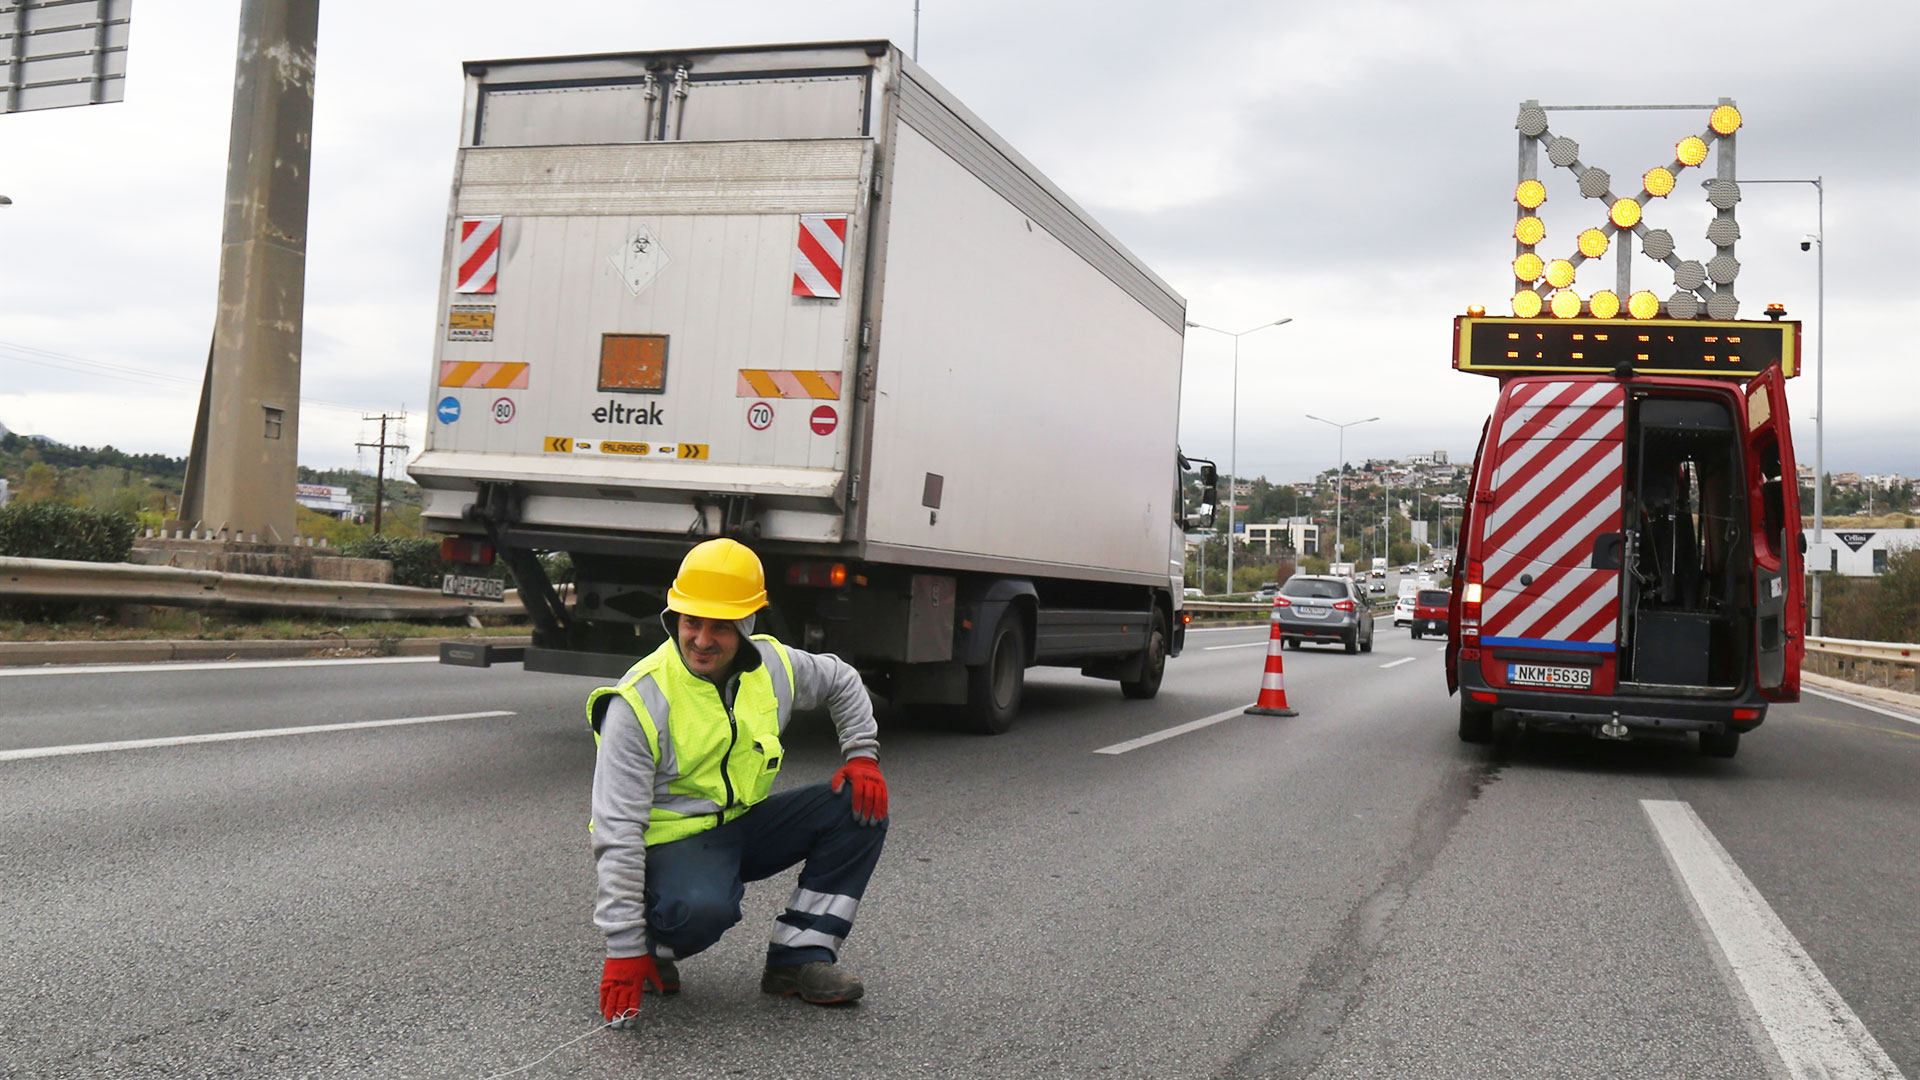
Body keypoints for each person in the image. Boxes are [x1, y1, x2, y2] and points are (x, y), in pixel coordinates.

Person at [587, 538, 888, 1022]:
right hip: (672, 846)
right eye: (691, 622)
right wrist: (623, 947)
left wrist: (861, 756)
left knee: (859, 805)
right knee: (703, 908)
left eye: (721, 626)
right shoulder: (638, 701)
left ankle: (799, 958)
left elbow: (842, 679)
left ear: (747, 623)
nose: (703, 640)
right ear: (674, 618)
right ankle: (652, 942)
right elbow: (616, 831)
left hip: (742, 827)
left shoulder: (774, 666)